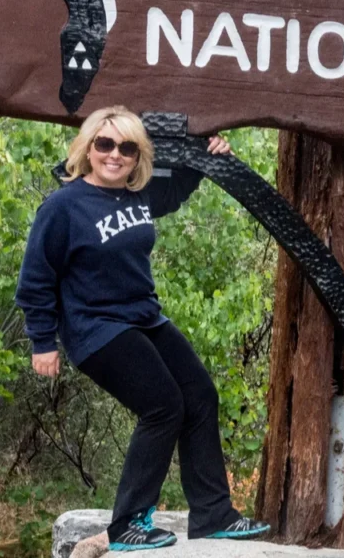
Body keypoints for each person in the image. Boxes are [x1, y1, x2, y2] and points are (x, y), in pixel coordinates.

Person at [16, 105, 270, 551]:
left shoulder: (138, 194)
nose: (115, 155)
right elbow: (36, 276)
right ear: (88, 147)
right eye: (105, 144)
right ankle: (128, 524)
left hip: (143, 318)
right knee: (163, 406)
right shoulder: (63, 205)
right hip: (95, 329)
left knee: (199, 396)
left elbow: (171, 197)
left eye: (127, 147)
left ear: (137, 156)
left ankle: (213, 515)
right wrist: (43, 341)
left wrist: (207, 160)